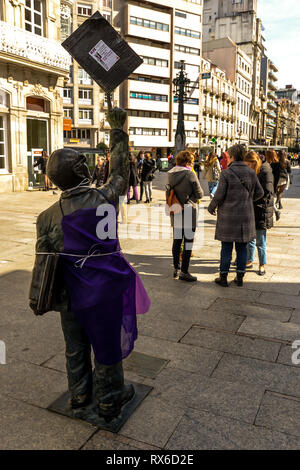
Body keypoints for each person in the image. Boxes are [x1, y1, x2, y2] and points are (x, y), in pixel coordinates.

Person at [29, 106, 150, 420]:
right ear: (82, 172)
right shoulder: (104, 198)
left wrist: (40, 297)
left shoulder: (46, 218)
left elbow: (42, 264)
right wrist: (117, 128)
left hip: (70, 294)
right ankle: (110, 397)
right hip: (104, 289)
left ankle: (79, 394)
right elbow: (121, 173)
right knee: (106, 342)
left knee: (75, 344)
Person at [207, 144, 264, 288]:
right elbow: (260, 193)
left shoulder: (226, 173)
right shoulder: (251, 173)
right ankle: (240, 277)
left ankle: (224, 277)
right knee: (242, 247)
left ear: (231, 156)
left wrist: (211, 207)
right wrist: (247, 200)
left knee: (226, 247)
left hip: (228, 216)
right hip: (245, 216)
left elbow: (219, 194)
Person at [167, 150, 204, 282]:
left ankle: (176, 268)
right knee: (188, 242)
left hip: (175, 208)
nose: (193, 163)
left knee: (177, 240)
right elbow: (200, 194)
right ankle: (184, 271)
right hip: (188, 209)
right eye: (192, 161)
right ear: (188, 162)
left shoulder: (170, 173)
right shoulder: (189, 174)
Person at [244, 151, 274, 276]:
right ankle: (249, 260)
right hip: (253, 208)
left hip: (262, 210)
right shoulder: (255, 171)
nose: (247, 167)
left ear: (254, 162)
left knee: (260, 241)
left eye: (248, 164)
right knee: (250, 238)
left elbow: (267, 192)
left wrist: (251, 197)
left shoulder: (265, 171)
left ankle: (262, 264)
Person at [265, 150, 281, 221]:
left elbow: (275, 176)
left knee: (269, 199)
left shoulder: (275, 164)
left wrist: (274, 186)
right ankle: (276, 211)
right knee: (270, 199)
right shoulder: (273, 163)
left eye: (266, 155)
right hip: (272, 183)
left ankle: (276, 211)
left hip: (272, 184)